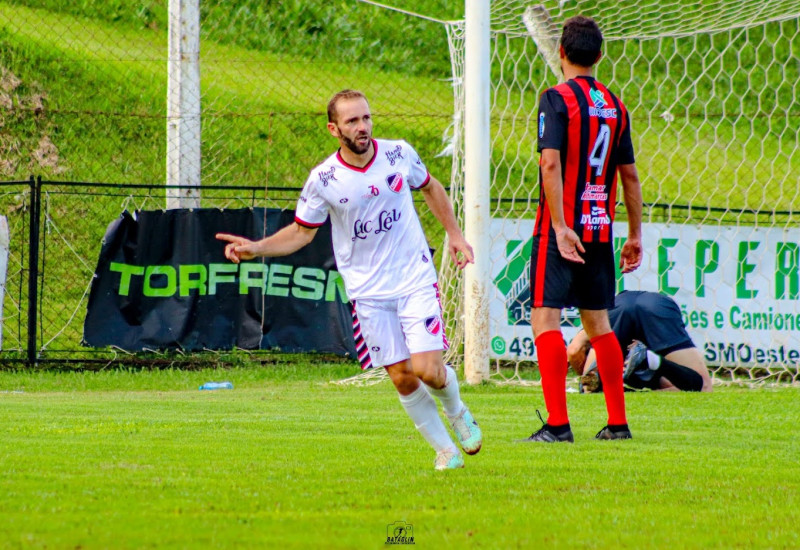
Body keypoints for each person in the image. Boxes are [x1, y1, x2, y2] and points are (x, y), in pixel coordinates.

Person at [216, 89, 482, 470]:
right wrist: (256, 248)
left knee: (428, 371)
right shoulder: (323, 179)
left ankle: (456, 410)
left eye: (367, 118)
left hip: (413, 278)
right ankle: (445, 451)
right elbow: (301, 232)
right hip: (368, 293)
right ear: (333, 128)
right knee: (403, 378)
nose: (363, 127)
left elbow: (431, 187)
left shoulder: (398, 154)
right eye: (353, 121)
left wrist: (455, 235)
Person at [521, 15, 644, 444]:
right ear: (600, 55)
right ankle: (617, 423)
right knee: (599, 325)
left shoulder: (555, 99)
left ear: (561, 52)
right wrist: (634, 235)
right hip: (599, 229)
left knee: (545, 320)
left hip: (562, 232)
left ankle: (557, 425)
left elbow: (549, 163)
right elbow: (629, 176)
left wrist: (557, 225)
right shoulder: (616, 106)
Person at [567, 290, 713, 393]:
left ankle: (607, 383)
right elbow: (574, 350)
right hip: (656, 305)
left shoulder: (606, 313)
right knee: (703, 386)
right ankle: (653, 361)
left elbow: (574, 350)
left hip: (619, 306)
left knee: (591, 389)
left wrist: (584, 377)